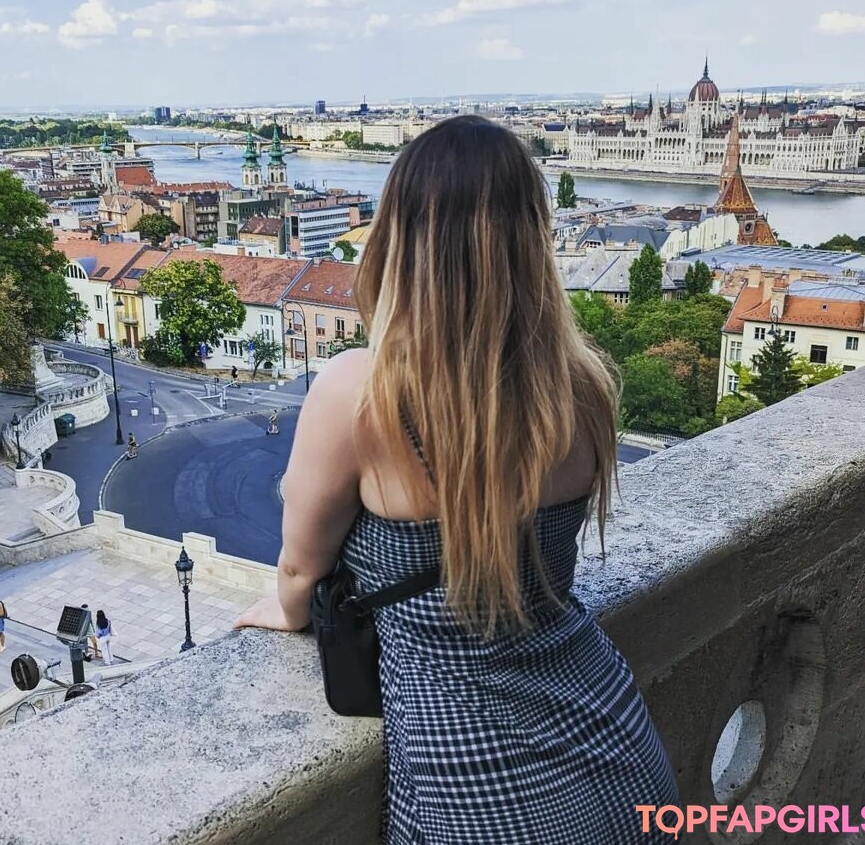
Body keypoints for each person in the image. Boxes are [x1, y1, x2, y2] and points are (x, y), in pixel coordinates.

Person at [235, 116, 679, 844]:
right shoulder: (583, 386)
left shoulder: (361, 392)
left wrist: (288, 610)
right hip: (620, 753)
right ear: (531, 240)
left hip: (472, 790)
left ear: (401, 239)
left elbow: (299, 568)